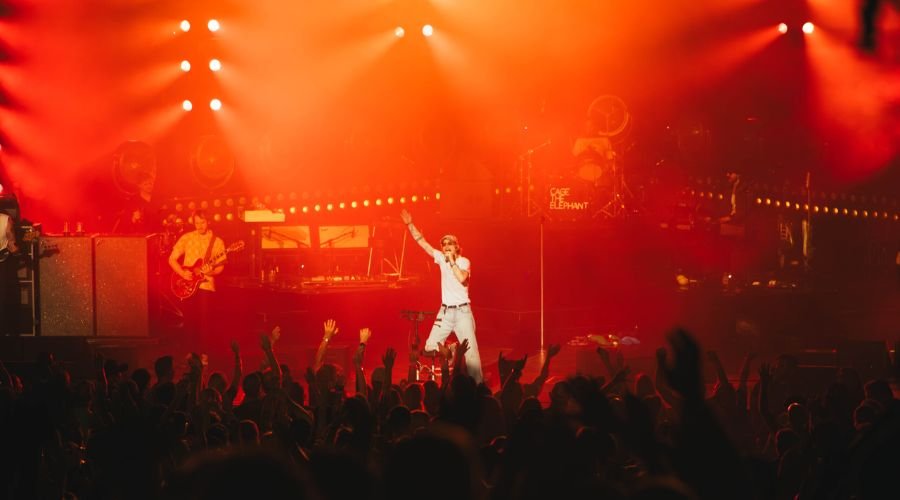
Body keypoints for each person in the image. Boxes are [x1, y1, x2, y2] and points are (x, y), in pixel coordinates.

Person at [400, 209, 482, 383]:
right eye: (443, 244)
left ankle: (479, 388)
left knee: (472, 355)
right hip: (445, 312)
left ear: (456, 247)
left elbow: (462, 278)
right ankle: (452, 348)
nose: (445, 246)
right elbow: (423, 243)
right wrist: (409, 224)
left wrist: (451, 261)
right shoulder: (440, 258)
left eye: (449, 244)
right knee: (430, 347)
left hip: (462, 313)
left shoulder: (463, 261)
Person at [168, 210, 225, 347]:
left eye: (202, 222)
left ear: (208, 222)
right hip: (187, 284)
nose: (199, 226)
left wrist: (212, 271)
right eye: (196, 223)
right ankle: (190, 354)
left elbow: (220, 267)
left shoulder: (217, 241)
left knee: (205, 322)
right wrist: (182, 273)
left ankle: (204, 355)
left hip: (206, 285)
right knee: (189, 321)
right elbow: (171, 259)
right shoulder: (187, 237)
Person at [0, 205, 19, 336]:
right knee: (3, 298)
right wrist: (19, 250)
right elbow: (12, 247)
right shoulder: (6, 220)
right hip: (2, 265)